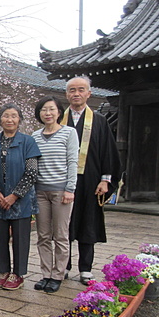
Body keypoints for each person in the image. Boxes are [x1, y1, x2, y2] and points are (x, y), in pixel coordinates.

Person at [62, 76, 121, 284]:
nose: (76, 94)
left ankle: (86, 268)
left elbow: (108, 152)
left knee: (88, 223)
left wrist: (105, 180)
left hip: (91, 180)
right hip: (63, 182)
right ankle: (64, 266)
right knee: (64, 224)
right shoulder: (60, 119)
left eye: (80, 90)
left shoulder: (99, 120)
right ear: (66, 94)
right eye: (71, 90)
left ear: (89, 93)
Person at [0, 103, 40, 291]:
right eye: (6, 116)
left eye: (14, 116)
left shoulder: (28, 141)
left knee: (20, 238)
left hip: (20, 200)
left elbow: (32, 172)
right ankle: (4, 272)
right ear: (0, 119)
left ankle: (18, 274)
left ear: (19, 120)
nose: (9, 119)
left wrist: (15, 195)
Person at [31, 96, 79, 293]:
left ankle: (58, 274)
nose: (47, 113)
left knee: (60, 235)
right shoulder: (34, 136)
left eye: (51, 109)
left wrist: (70, 189)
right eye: (44, 110)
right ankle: (46, 274)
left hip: (61, 192)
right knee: (43, 235)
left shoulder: (69, 133)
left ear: (59, 112)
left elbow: (73, 162)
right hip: (40, 191)